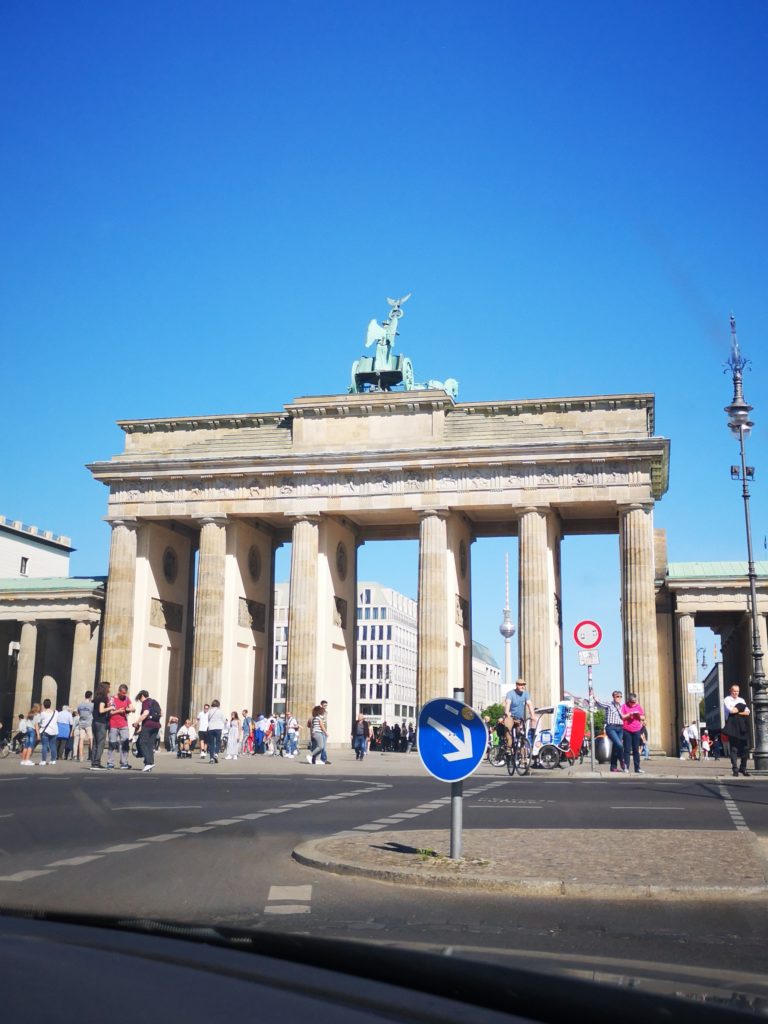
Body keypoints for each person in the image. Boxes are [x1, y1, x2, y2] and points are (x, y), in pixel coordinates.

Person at [723, 684, 751, 777]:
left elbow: (747, 712)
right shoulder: (727, 699)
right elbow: (731, 711)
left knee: (746, 748)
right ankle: (735, 769)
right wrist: (741, 707)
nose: (736, 693)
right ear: (730, 690)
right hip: (732, 725)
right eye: (734, 691)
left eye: (737, 691)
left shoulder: (741, 700)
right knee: (734, 749)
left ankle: (743, 768)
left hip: (742, 725)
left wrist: (738, 709)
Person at [107, 684, 134, 769]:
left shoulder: (127, 699)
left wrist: (127, 709)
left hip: (124, 724)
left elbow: (133, 708)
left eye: (125, 693)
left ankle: (124, 762)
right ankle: (110, 762)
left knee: (125, 743)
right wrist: (118, 711)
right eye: (122, 693)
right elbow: (110, 712)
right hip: (113, 724)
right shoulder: (112, 699)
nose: (124, 695)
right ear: (119, 691)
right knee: (112, 743)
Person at [600, 690, 627, 773]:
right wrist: (593, 696)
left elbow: (624, 716)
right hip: (611, 727)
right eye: (617, 696)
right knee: (619, 745)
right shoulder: (609, 704)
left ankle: (613, 767)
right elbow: (599, 702)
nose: (619, 698)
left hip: (620, 728)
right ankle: (622, 760)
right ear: (613, 697)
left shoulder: (622, 707)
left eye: (620, 696)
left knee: (616, 748)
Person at [135, 689, 161, 773]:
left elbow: (145, 713)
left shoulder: (145, 702)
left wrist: (137, 722)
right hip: (156, 726)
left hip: (148, 725)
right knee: (150, 745)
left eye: (139, 698)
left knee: (142, 742)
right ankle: (149, 764)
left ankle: (148, 762)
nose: (140, 700)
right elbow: (162, 713)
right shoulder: (155, 702)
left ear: (142, 696)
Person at [504, 678, 535, 747]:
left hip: (519, 718)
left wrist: (533, 716)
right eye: (520, 685)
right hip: (511, 717)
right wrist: (507, 712)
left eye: (524, 685)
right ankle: (508, 747)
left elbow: (529, 704)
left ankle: (521, 752)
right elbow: (508, 703)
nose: (523, 686)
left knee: (521, 735)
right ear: (516, 685)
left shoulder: (526, 694)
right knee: (508, 730)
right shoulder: (510, 694)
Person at [621, 692, 646, 774]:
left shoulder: (638, 707)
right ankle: (626, 767)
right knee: (627, 750)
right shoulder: (624, 706)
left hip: (636, 730)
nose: (633, 704)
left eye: (634, 702)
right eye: (631, 702)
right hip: (627, 730)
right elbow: (622, 716)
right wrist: (629, 715)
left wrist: (638, 716)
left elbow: (643, 717)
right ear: (628, 700)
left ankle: (637, 768)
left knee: (636, 750)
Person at [91, 682, 112, 770]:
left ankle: (93, 762)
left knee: (95, 743)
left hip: (95, 721)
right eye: (109, 688)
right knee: (100, 743)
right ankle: (97, 762)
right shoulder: (103, 698)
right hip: (101, 722)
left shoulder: (96, 698)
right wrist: (110, 708)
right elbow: (101, 710)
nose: (109, 689)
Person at [38, 698, 59, 765]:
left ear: (44, 705)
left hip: (45, 731)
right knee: (53, 745)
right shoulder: (56, 712)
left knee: (44, 745)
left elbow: (40, 722)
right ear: (50, 705)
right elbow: (57, 720)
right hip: (54, 731)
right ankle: (53, 760)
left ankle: (44, 760)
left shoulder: (43, 713)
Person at [206, 699, 226, 764]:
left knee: (211, 744)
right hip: (218, 728)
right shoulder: (220, 711)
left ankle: (211, 758)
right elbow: (224, 720)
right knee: (218, 742)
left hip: (211, 728)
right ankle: (216, 754)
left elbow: (208, 719)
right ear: (218, 704)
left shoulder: (210, 711)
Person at [76, 690, 94, 762]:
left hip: (81, 723)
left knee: (81, 739)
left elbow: (79, 713)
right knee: (91, 739)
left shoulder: (80, 705)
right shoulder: (91, 705)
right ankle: (92, 755)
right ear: (90, 697)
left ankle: (81, 757)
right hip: (89, 723)